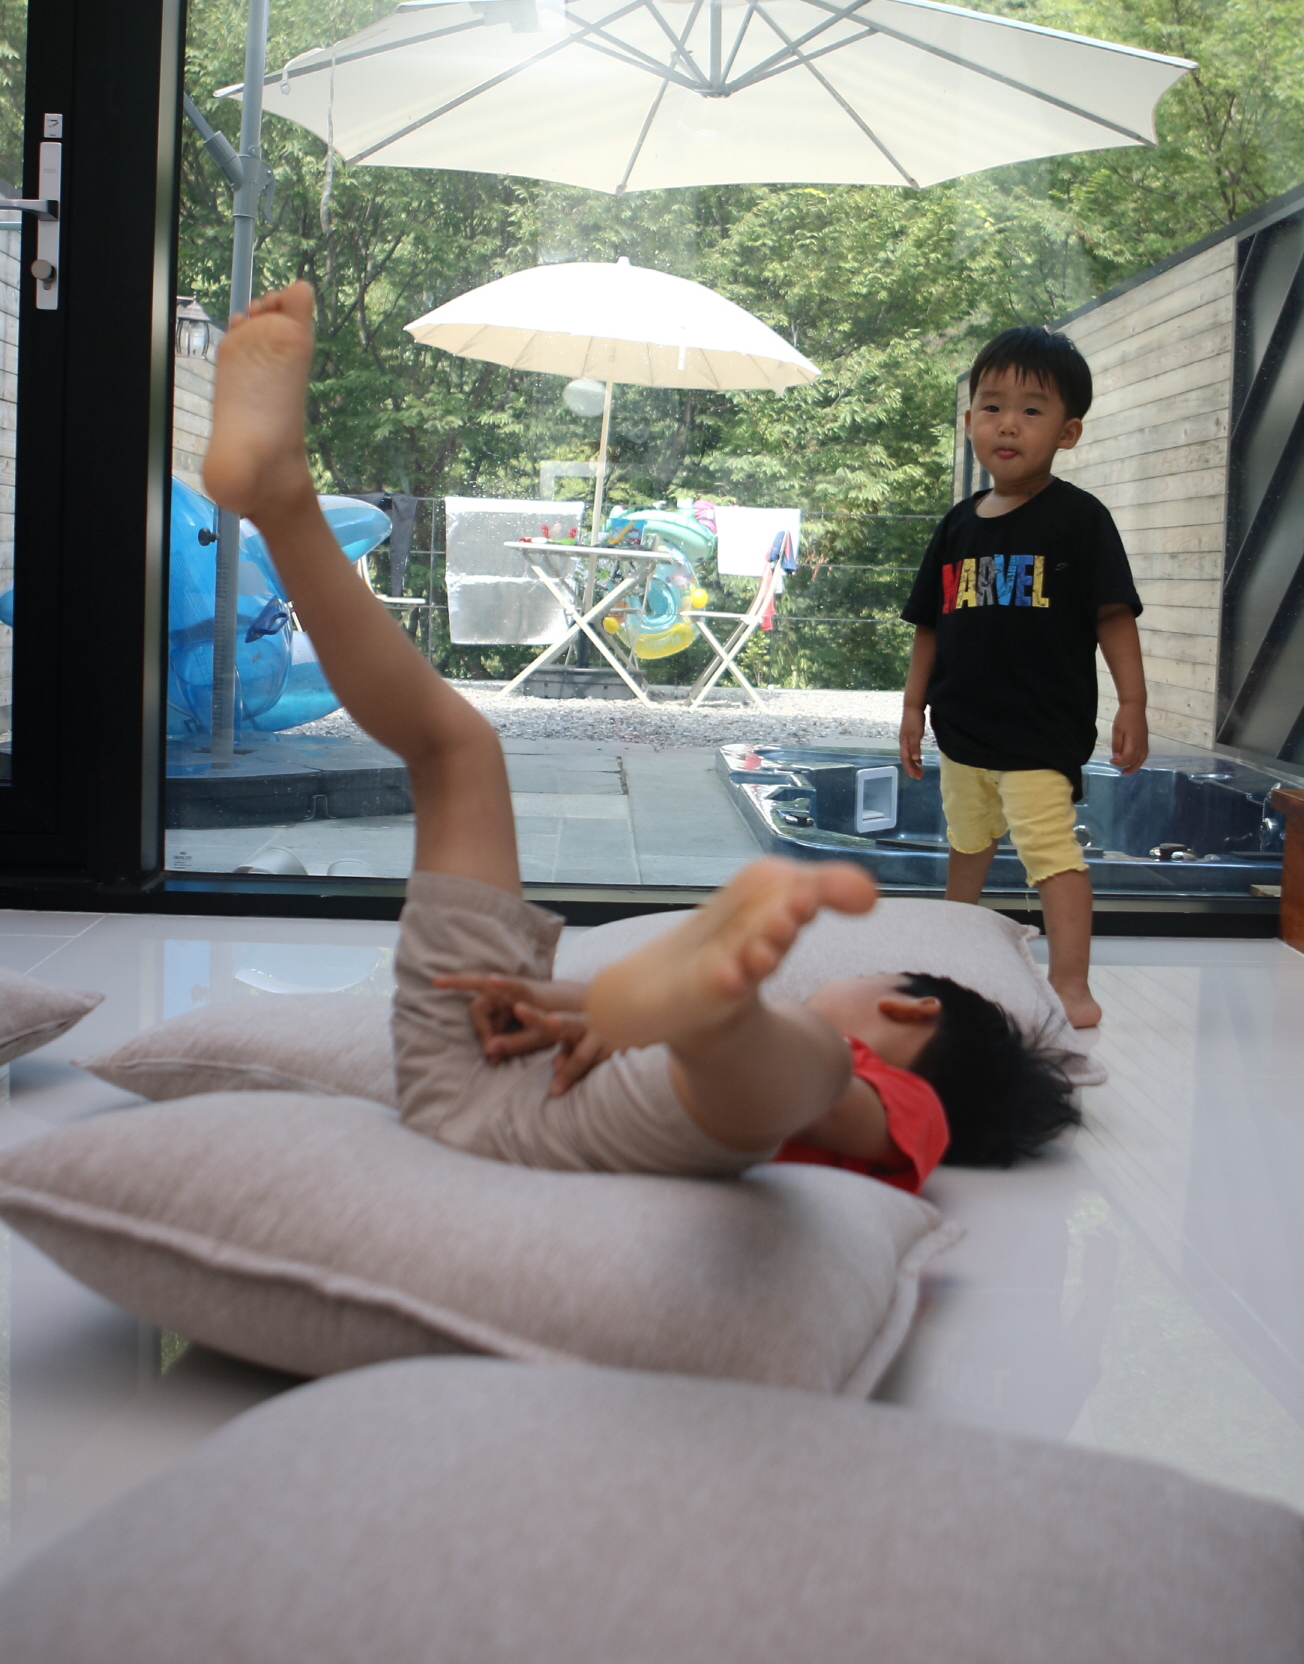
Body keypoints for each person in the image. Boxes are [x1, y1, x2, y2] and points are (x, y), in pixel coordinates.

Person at [204, 283, 1080, 1191]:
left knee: (801, 1066)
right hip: (472, 1056)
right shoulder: (738, 1041)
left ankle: (712, 1020)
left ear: (908, 1009)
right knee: (458, 746)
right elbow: (621, 1024)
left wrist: (703, 1016)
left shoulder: (898, 1102)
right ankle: (284, 499)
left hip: (592, 1101)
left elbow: (813, 1093)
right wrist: (568, 1004)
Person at [899, 326, 1148, 1031]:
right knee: (967, 840)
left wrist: (1133, 701)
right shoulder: (957, 526)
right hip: (962, 728)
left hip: (1039, 731)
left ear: (1068, 432)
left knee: (1050, 852)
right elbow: (930, 625)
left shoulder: (1079, 519)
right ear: (970, 420)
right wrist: (913, 707)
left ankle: (1070, 983)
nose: (1008, 423)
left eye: (1031, 410)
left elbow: (1113, 614)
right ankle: (953, 959)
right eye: (992, 406)